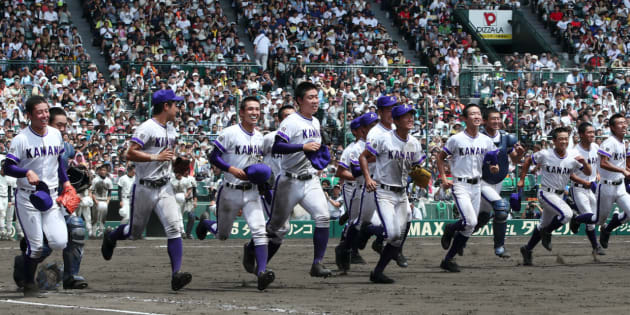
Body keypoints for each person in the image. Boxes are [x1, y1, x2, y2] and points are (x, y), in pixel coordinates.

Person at [100, 89, 192, 291]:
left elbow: (167, 154)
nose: (178, 107)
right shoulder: (147, 127)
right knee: (134, 233)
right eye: (175, 104)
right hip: (144, 188)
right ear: (165, 106)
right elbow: (129, 153)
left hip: (164, 186)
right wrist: (155, 158)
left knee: (174, 228)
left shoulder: (171, 129)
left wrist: (176, 161)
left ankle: (176, 274)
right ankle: (112, 236)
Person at [195, 96, 275, 290]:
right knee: (222, 235)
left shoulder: (260, 137)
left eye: (257, 109)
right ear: (241, 113)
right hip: (230, 190)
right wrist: (230, 169)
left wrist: (263, 181)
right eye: (250, 109)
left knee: (259, 231)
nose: (255, 112)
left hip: (251, 193)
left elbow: (259, 165)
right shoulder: (229, 133)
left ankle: (262, 272)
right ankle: (207, 223)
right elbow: (213, 156)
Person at [3, 95, 71, 297]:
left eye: (46, 111)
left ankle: (22, 262)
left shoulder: (55, 135)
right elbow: (7, 167)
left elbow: (59, 161)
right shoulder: (21, 139)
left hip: (49, 196)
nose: (44, 115)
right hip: (27, 197)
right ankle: (29, 284)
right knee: (36, 247)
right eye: (39, 112)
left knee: (60, 241)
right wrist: (25, 172)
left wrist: (65, 181)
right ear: (29, 115)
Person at [267, 81, 332, 278]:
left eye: (316, 97)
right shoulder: (291, 121)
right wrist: (301, 147)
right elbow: (277, 146)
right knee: (276, 229)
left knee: (323, 217)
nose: (315, 101)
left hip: (310, 179)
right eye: (310, 97)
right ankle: (255, 251)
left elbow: (313, 150)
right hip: (289, 181)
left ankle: (317, 264)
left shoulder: (315, 122)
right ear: (298, 101)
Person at [359, 104, 426, 283]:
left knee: (397, 239)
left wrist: (420, 176)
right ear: (396, 121)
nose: (410, 118)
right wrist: (368, 178)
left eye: (412, 114)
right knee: (394, 234)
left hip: (402, 194)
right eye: (405, 115)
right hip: (384, 192)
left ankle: (378, 272)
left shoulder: (414, 142)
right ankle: (368, 230)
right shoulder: (384, 139)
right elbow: (363, 157)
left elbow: (416, 167)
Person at [438, 104, 499, 272]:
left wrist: (494, 167)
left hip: (477, 185)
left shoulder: (486, 140)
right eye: (472, 114)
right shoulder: (456, 139)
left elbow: (493, 160)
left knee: (471, 226)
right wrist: (444, 177)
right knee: (470, 221)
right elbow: (440, 157)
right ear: (464, 119)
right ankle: (450, 229)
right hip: (460, 184)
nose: (477, 116)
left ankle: (448, 259)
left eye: (478, 113)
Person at [518, 127, 591, 266]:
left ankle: (527, 249)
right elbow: (528, 160)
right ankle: (548, 232)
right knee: (567, 214)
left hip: (558, 195)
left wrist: (585, 163)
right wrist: (521, 179)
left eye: (566, 138)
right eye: (561, 139)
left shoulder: (572, 157)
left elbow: (587, 172)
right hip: (546, 193)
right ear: (554, 141)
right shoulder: (545, 154)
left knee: (542, 225)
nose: (564, 141)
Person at [357, 96, 409, 268]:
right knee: (363, 221)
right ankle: (352, 244)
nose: (391, 111)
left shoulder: (397, 127)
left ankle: (396, 249)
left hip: (395, 183)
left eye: (394, 107)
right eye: (388, 108)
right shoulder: (376, 132)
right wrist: (368, 178)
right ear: (379, 112)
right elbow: (368, 156)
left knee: (406, 216)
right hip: (375, 182)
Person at [573, 114, 630, 249]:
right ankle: (576, 219)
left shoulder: (622, 142)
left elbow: (622, 164)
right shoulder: (609, 142)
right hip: (606, 187)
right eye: (620, 123)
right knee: (598, 220)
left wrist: (625, 170)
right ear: (612, 127)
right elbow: (603, 163)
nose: (624, 125)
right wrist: (622, 171)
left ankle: (608, 229)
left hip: (620, 186)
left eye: (625, 122)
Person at [474, 108, 525, 258]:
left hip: (498, 182)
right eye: (493, 119)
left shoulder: (505, 138)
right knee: (501, 208)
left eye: (498, 118)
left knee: (481, 218)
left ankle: (456, 234)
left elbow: (514, 159)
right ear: (485, 121)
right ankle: (500, 247)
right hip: (482, 181)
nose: (496, 121)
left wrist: (520, 153)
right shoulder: (479, 138)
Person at [568, 122, 605, 255]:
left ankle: (577, 218)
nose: (592, 135)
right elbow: (569, 174)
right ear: (581, 135)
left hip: (593, 187)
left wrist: (598, 174)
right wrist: (584, 181)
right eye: (589, 132)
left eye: (593, 132)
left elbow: (598, 164)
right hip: (579, 188)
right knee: (590, 218)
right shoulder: (574, 152)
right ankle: (596, 246)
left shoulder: (595, 146)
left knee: (597, 218)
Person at [171, 165, 195, 239]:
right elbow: (170, 191)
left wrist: (186, 195)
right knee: (179, 216)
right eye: (176, 172)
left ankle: (187, 233)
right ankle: (182, 231)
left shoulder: (186, 180)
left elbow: (190, 189)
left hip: (186, 200)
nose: (177, 174)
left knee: (191, 216)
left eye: (179, 172)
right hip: (176, 199)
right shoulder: (172, 181)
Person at [91, 165, 112, 238]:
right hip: (97, 200)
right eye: (101, 170)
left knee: (103, 218)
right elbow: (92, 191)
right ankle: (93, 234)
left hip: (104, 200)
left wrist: (108, 201)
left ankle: (101, 234)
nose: (103, 171)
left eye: (104, 170)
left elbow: (110, 192)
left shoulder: (108, 180)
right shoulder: (95, 180)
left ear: (106, 171)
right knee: (95, 217)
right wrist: (95, 200)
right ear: (99, 171)